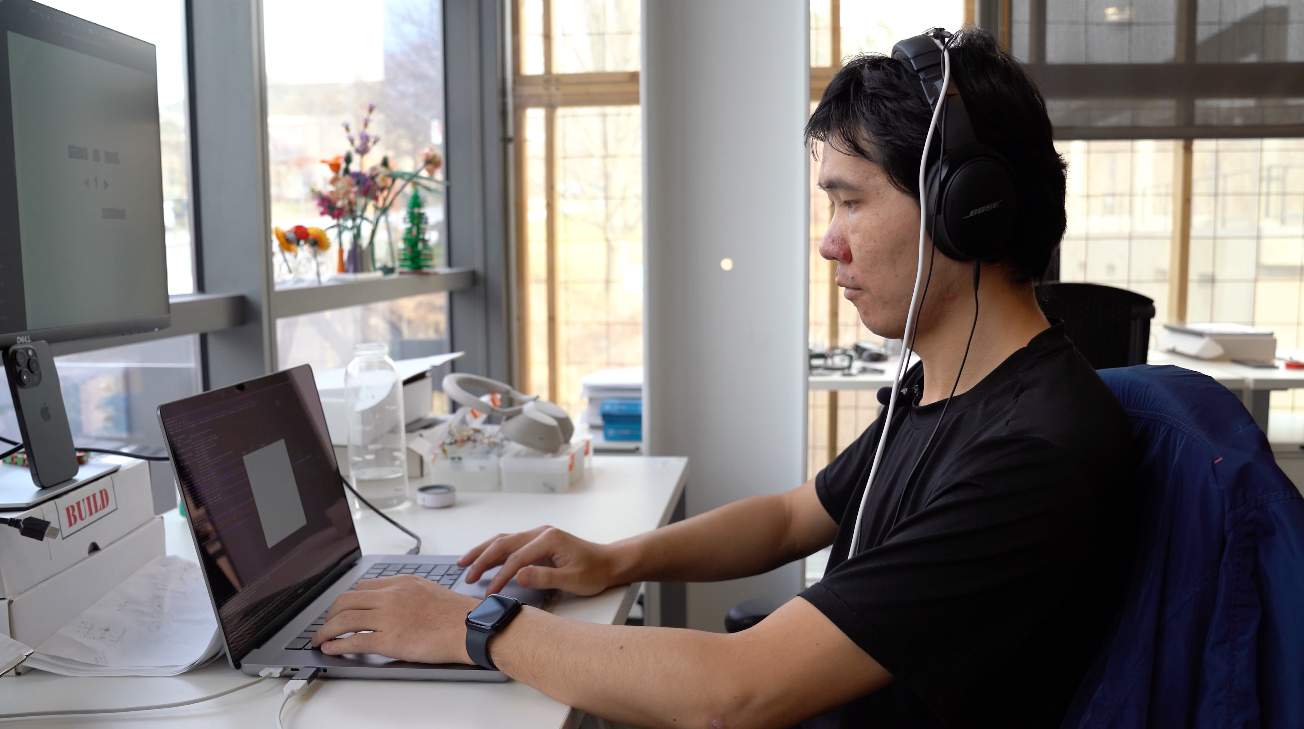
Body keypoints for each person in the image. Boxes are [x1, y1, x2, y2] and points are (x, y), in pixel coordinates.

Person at [311, 28, 1136, 728]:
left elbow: (737, 690)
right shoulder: (951, 387)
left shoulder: (1035, 451)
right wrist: (613, 559)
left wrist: (471, 623)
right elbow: (789, 517)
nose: (829, 242)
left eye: (849, 202)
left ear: (966, 207)